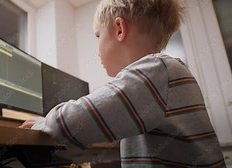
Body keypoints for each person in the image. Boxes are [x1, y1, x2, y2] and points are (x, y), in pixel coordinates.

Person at [20, 0, 226, 167]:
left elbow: (78, 120)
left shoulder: (154, 71)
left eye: (98, 36)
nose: (97, 49)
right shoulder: (165, 71)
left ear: (119, 29)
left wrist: (44, 122)